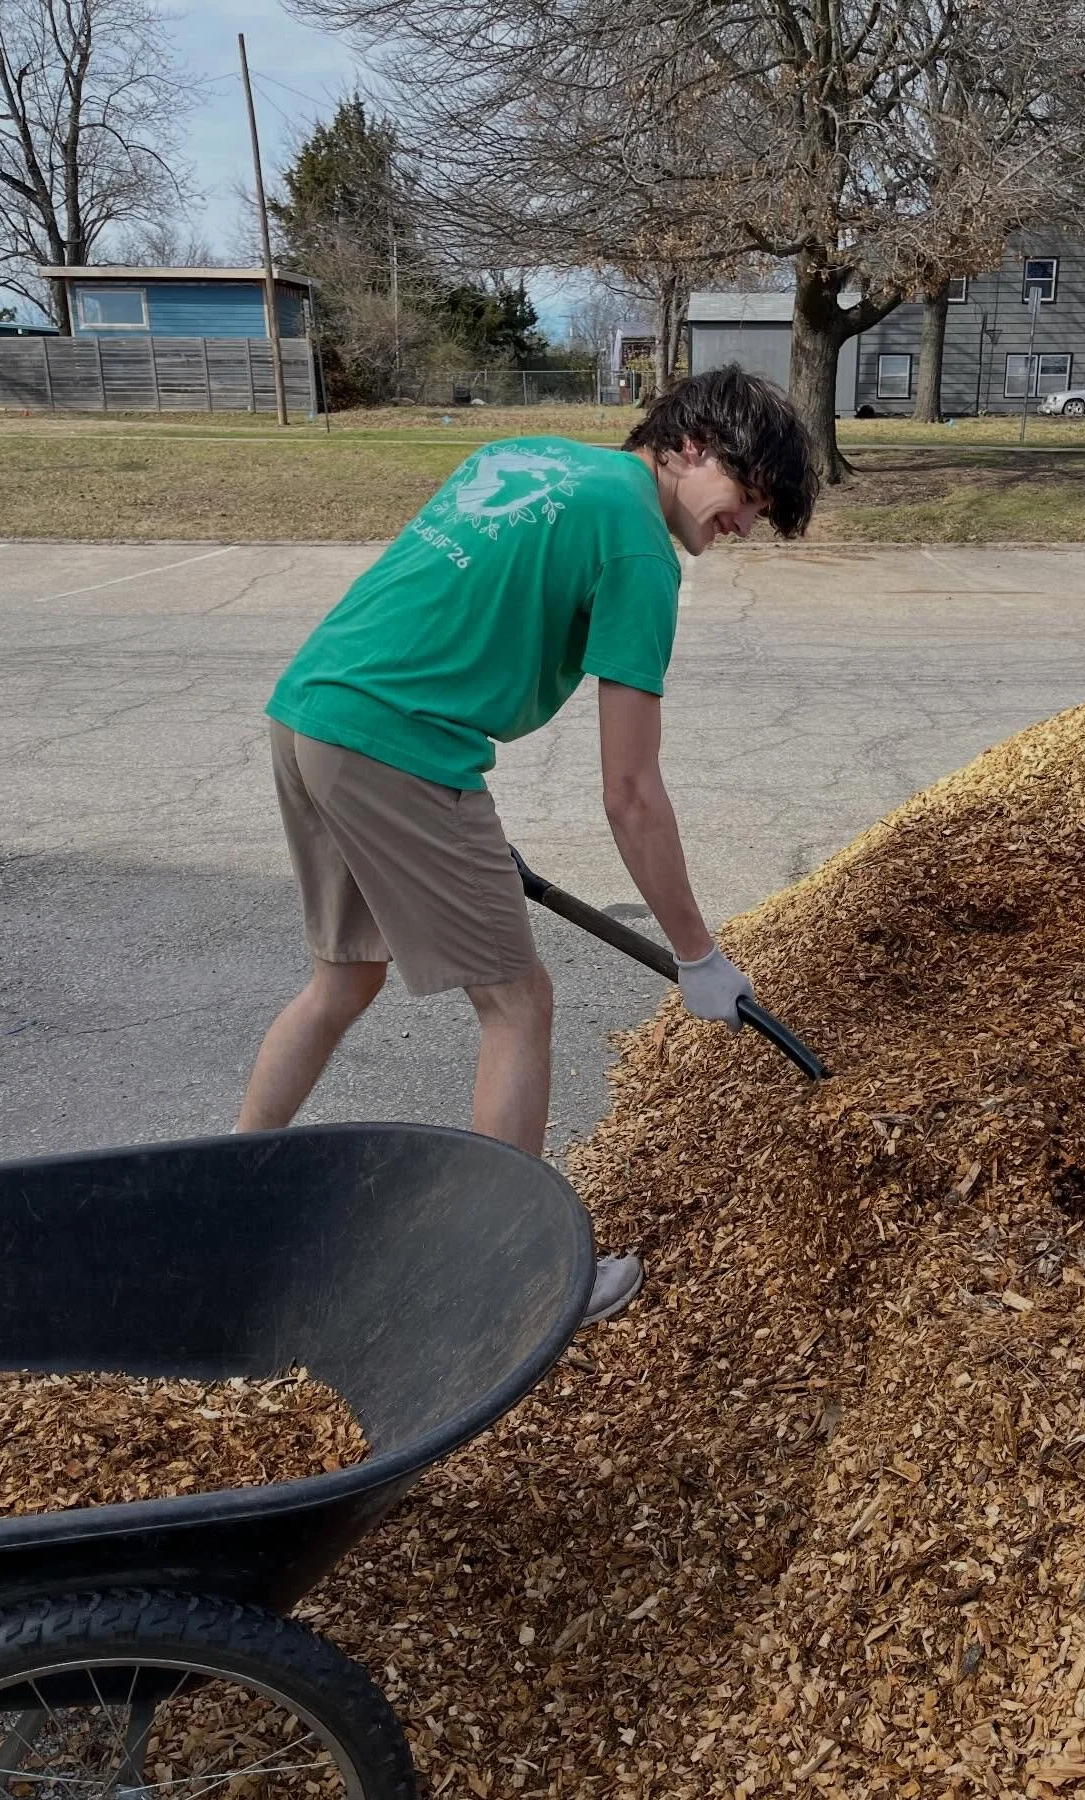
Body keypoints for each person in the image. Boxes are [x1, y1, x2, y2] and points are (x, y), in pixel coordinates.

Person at [237, 364, 817, 1325]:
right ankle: (513, 1277)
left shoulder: (527, 457)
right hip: (401, 747)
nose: (745, 526)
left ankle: (232, 1177)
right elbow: (630, 796)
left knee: (343, 981)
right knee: (518, 1003)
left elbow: (437, 609)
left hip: (311, 714)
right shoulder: (639, 550)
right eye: (746, 498)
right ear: (688, 447)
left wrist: (425, 838)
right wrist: (697, 956)